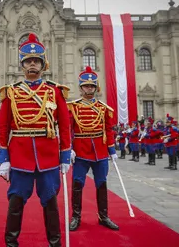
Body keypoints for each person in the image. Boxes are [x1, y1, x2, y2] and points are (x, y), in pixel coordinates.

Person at [0, 33, 71, 246]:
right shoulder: (11, 92)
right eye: (28, 61)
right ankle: (11, 243)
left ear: (43, 64)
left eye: (36, 61)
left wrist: (65, 156)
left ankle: (54, 243)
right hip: (19, 157)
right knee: (16, 201)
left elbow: (64, 127)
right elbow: (2, 127)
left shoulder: (55, 92)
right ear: (22, 65)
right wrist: (3, 158)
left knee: (50, 201)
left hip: (47, 157)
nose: (32, 64)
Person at [67, 66, 119, 232]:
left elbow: (108, 129)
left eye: (92, 86)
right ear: (81, 88)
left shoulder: (103, 108)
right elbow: (68, 129)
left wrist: (112, 150)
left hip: (100, 151)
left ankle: (103, 216)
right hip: (81, 152)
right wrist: (69, 148)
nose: (89, 88)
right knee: (77, 184)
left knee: (101, 184)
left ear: (96, 88)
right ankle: (76, 216)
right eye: (86, 86)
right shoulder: (72, 107)